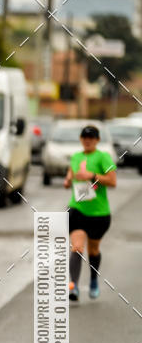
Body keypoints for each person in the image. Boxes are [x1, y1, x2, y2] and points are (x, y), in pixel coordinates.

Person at [64, 125, 116, 301]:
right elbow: (72, 172)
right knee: (77, 247)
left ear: (97, 140)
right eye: (85, 137)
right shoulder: (76, 157)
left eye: (91, 138)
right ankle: (74, 286)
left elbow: (112, 181)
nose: (87, 140)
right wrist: (68, 179)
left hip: (99, 214)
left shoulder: (103, 157)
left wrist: (92, 176)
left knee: (93, 250)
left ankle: (93, 280)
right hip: (77, 209)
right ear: (81, 139)